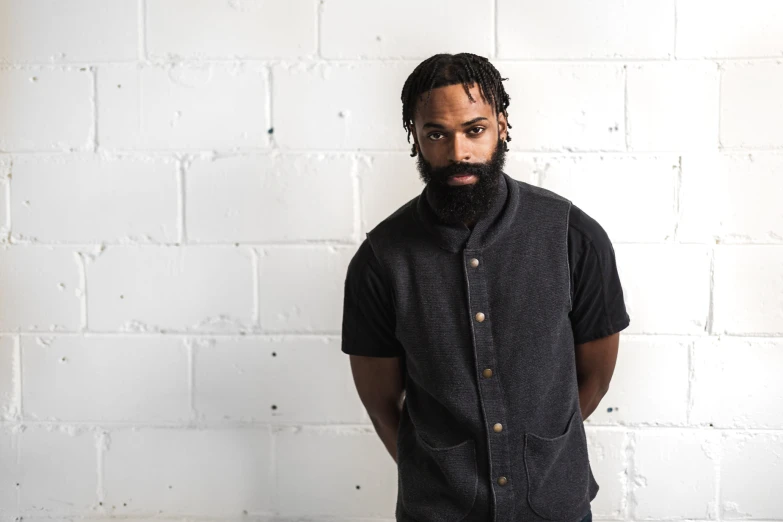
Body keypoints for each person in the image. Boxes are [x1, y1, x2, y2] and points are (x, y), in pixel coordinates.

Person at [341, 53, 630, 522]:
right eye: (437, 133)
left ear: (502, 125)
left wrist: (537, 456)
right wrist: (438, 473)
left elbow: (594, 379)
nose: (458, 153)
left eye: (474, 130)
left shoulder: (574, 238)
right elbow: (380, 402)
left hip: (555, 506)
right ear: (415, 137)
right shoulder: (381, 260)